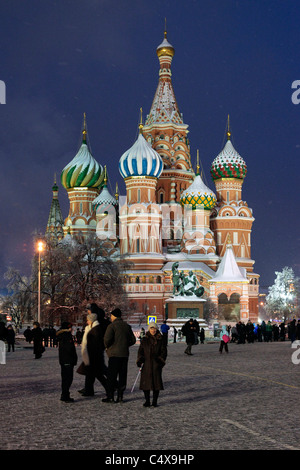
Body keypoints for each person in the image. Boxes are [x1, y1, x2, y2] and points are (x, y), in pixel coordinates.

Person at [102, 308, 136, 403]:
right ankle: (120, 397)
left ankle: (110, 397)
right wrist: (125, 345)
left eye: (111, 315)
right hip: (124, 355)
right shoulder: (127, 326)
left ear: (114, 316)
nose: (110, 317)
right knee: (122, 376)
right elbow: (133, 340)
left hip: (114, 355)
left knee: (111, 376)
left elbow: (106, 340)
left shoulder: (112, 326)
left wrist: (108, 347)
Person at [136, 322, 167, 407]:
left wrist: (160, 361)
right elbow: (140, 351)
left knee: (156, 384)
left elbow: (164, 352)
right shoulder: (145, 340)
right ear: (149, 329)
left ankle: (154, 401)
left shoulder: (160, 339)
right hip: (146, 364)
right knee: (146, 384)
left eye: (155, 328)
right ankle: (147, 401)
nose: (153, 330)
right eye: (151, 328)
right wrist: (140, 359)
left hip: (156, 364)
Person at [78, 312, 108, 397]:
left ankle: (109, 388)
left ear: (91, 320)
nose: (87, 321)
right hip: (92, 355)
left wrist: (89, 354)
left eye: (88, 320)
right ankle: (89, 390)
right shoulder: (93, 328)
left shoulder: (95, 330)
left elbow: (95, 344)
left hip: (93, 356)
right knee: (91, 374)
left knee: (97, 374)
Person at [56, 321, 78, 402]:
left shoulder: (62, 335)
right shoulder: (67, 336)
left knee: (65, 378)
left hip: (63, 359)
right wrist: (73, 358)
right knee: (68, 378)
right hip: (67, 359)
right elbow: (69, 349)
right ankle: (65, 395)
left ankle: (64, 394)